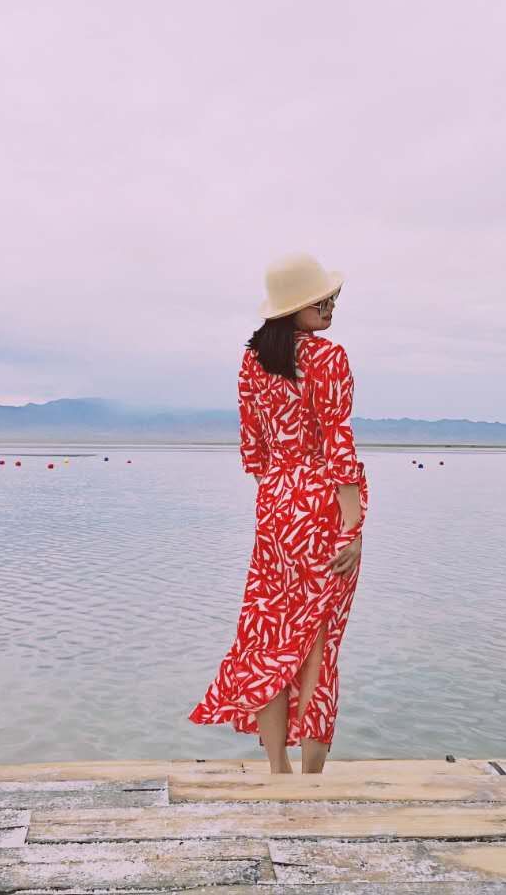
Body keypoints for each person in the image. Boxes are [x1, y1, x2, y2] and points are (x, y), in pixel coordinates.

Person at [188, 252, 368, 774]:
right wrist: (352, 527)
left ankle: (277, 773)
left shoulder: (253, 362)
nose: (331, 306)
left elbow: (255, 449)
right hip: (323, 503)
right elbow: (338, 443)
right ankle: (310, 777)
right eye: (320, 300)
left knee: (270, 635)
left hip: (275, 506)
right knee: (317, 643)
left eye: (331, 298)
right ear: (295, 308)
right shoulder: (328, 358)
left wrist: (280, 490)